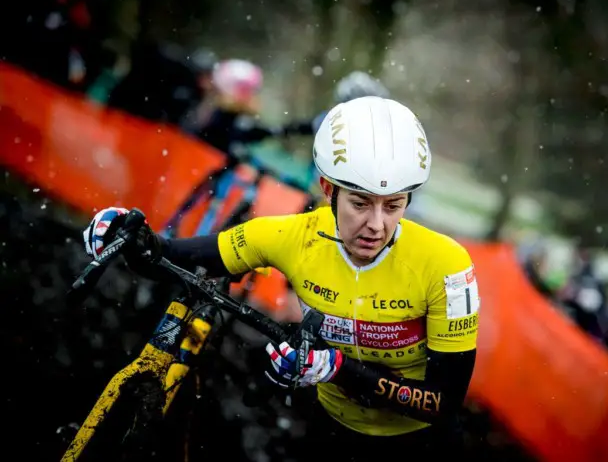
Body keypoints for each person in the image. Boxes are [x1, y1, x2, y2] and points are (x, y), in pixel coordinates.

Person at [82, 96, 480, 460]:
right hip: (331, 430)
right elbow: (167, 256)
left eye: (394, 205)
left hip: (423, 444)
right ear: (328, 189)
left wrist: (335, 368)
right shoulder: (293, 237)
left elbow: (444, 402)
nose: (377, 225)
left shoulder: (446, 266)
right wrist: (128, 234)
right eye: (360, 203)